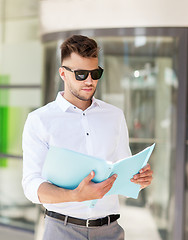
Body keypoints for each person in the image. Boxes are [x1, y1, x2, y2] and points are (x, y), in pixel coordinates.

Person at [22, 34, 153, 240]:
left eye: (95, 73)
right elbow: (31, 185)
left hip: (110, 230)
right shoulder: (39, 120)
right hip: (61, 230)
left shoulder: (114, 116)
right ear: (63, 74)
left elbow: (123, 173)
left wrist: (139, 179)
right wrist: (75, 195)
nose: (90, 81)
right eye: (81, 74)